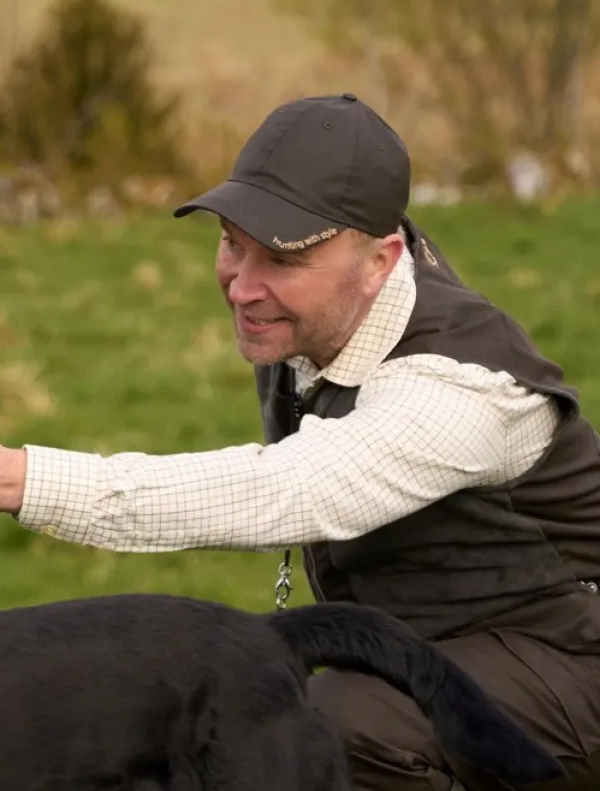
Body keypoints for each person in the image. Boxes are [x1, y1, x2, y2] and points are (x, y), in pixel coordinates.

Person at [1, 93, 600, 790]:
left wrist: (17, 478)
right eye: (232, 242)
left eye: (282, 261)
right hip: (437, 649)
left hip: (572, 657)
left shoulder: (461, 391)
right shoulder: (320, 318)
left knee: (334, 724)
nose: (242, 287)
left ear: (381, 260)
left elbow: (285, 489)